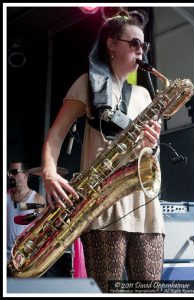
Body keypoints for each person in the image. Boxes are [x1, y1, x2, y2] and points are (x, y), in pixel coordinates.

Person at [42, 8, 165, 292]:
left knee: (147, 291)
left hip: (144, 204)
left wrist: (152, 144)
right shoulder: (86, 83)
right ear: (111, 43)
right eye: (133, 43)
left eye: (143, 45)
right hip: (101, 206)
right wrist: (49, 172)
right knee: (109, 291)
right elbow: (56, 135)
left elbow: (150, 154)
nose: (141, 51)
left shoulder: (145, 94)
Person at [7, 158, 46, 271]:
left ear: (25, 175)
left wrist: (25, 252)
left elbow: (42, 231)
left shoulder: (37, 199)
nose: (10, 176)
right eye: (9, 173)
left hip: (23, 258)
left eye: (14, 172)